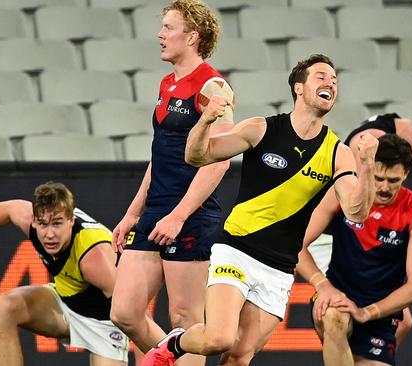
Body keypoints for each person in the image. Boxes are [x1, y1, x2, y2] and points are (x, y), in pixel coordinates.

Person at [141, 53, 379, 366]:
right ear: (299, 87)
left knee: (240, 356)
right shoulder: (261, 129)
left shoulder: (339, 153)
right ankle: (175, 344)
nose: (330, 84)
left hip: (279, 267)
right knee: (219, 339)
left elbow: (356, 212)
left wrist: (368, 167)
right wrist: (206, 120)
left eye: (334, 80)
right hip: (237, 249)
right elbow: (196, 156)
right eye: (321, 77)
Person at [108, 1, 234, 365]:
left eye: (168, 27)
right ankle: (170, 359)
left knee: (185, 319)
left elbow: (219, 163)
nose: (160, 35)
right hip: (155, 212)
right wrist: (133, 213)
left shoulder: (213, 85)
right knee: (125, 312)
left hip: (191, 216)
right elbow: (159, 153)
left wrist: (178, 216)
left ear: (192, 36)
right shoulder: (167, 83)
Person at [0, 182, 129, 366]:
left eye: (57, 223)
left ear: (71, 221)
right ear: (35, 220)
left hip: (105, 324)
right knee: (2, 307)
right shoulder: (32, 220)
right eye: (43, 224)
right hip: (66, 303)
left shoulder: (95, 258)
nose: (49, 234)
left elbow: (132, 315)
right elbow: (8, 208)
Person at [311, 111, 412, 344]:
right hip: (335, 237)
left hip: (353, 232)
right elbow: (359, 203)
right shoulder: (371, 142)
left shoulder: (389, 124)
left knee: (402, 321)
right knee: (338, 317)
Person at [297, 134, 412, 366]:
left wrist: (368, 312)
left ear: (406, 175)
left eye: (393, 180)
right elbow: (296, 245)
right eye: (378, 178)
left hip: (380, 315)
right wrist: (323, 286)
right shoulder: (344, 192)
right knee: (334, 318)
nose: (384, 188)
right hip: (338, 299)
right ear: (366, 169)